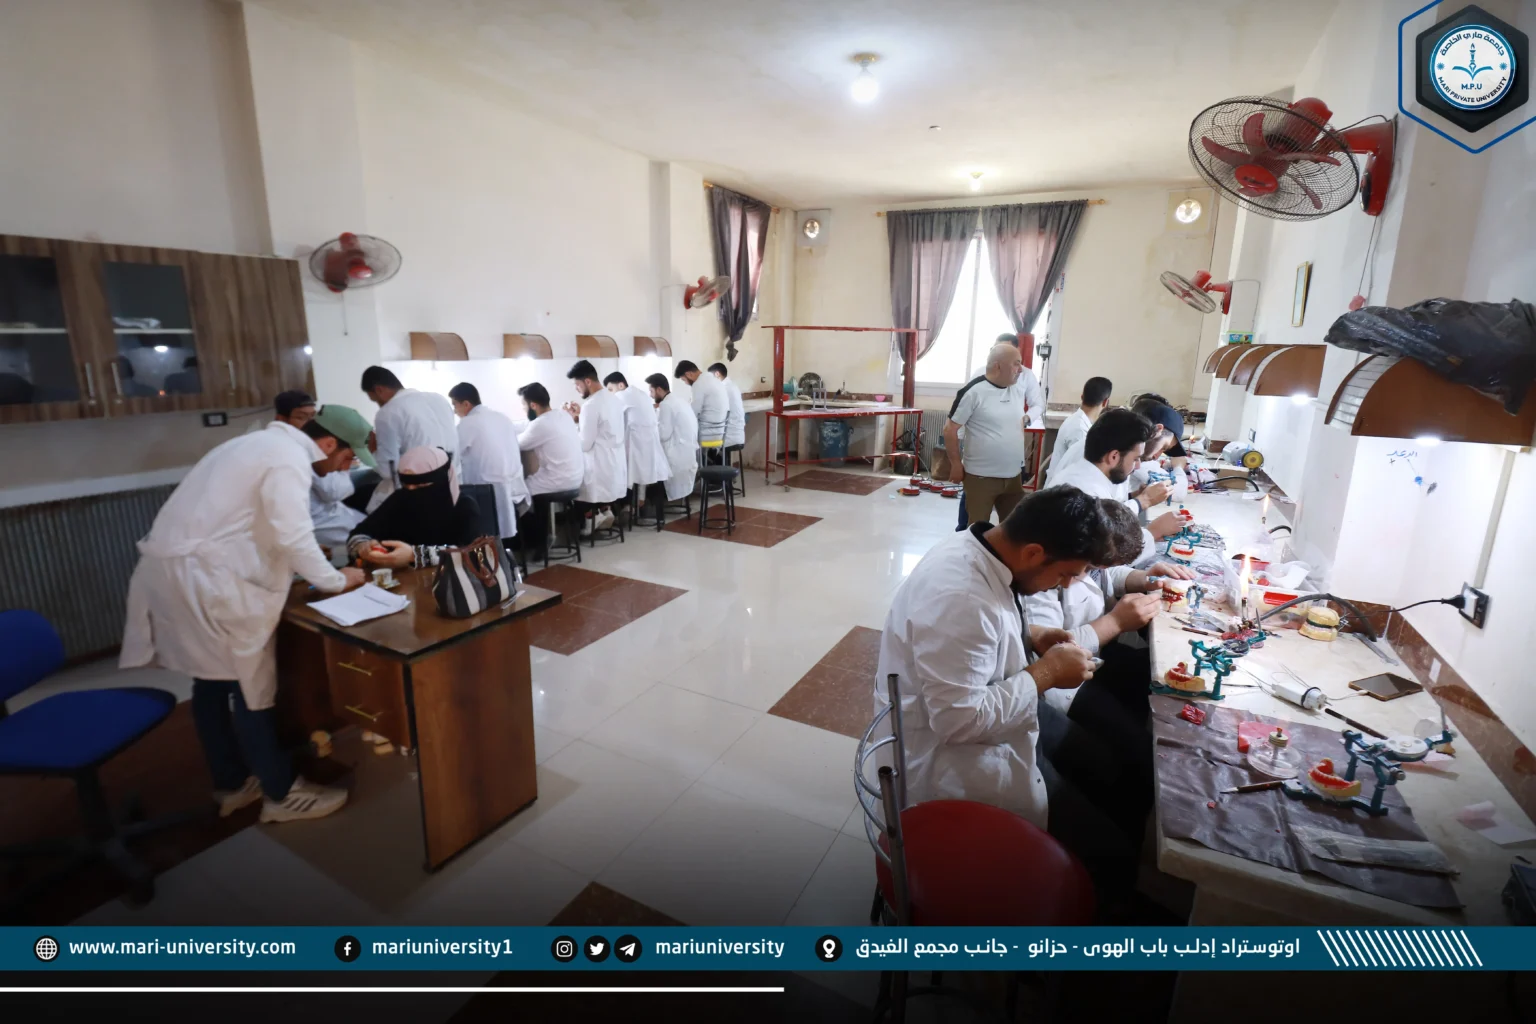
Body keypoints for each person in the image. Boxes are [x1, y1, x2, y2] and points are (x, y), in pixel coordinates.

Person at [875, 486, 1137, 895]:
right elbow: (958, 721)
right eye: (1065, 574)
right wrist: (1047, 673)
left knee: (1108, 769)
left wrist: (1031, 634)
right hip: (952, 758)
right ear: (1033, 552)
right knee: (1112, 857)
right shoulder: (960, 596)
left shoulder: (981, 546)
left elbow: (982, 630)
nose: (1065, 585)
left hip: (999, 706)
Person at [120, 413, 366, 824]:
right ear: (328, 445)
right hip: (211, 582)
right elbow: (293, 535)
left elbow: (246, 523)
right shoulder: (288, 459)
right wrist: (337, 580)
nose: (346, 467)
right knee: (250, 686)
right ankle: (280, 793)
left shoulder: (250, 444)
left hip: (179, 575)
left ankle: (232, 783)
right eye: (346, 458)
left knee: (211, 681)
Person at [1049, 408, 1182, 551]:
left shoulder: (1089, 474)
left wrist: (1134, 496)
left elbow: (1108, 506)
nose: (1138, 466)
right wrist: (1153, 527)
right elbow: (1105, 555)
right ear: (1113, 456)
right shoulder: (1083, 492)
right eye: (1135, 459)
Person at [347, 447, 484, 569]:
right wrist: (363, 546)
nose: (412, 492)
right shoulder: (400, 499)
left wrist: (414, 555)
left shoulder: (464, 506)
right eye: (407, 486)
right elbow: (359, 534)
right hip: (405, 584)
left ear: (442, 481)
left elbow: (472, 552)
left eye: (421, 486)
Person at [944, 343, 1028, 526]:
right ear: (998, 366)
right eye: (1016, 363)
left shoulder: (1016, 390)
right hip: (981, 477)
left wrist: (1020, 463)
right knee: (977, 529)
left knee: (1014, 528)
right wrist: (956, 464)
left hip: (1013, 476)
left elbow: (1017, 425)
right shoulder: (973, 392)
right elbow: (950, 429)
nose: (1021, 369)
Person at [361, 365, 457, 512]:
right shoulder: (439, 399)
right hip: (454, 487)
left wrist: (373, 451)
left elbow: (388, 471)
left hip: (420, 493)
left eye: (375, 400)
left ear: (379, 390)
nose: (378, 405)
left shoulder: (388, 412)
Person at [450, 382, 531, 549]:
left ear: (466, 404)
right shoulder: (502, 417)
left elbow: (453, 455)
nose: (454, 411)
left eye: (455, 405)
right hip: (514, 486)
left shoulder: (467, 423)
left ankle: (477, 554)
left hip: (487, 490)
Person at [514, 381, 584, 550]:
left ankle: (535, 542)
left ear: (533, 405)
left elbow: (517, 443)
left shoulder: (540, 424)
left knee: (518, 491)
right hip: (576, 478)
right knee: (530, 487)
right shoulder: (562, 415)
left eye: (524, 406)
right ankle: (542, 537)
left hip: (558, 481)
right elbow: (527, 426)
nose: (523, 410)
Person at [562, 360, 627, 531]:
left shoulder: (590, 405)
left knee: (574, 482)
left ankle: (592, 517)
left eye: (577, 384)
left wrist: (570, 425)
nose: (577, 389)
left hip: (599, 466)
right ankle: (605, 510)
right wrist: (579, 419)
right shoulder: (613, 399)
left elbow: (584, 444)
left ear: (587, 382)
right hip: (615, 465)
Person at [307, 404, 374, 554]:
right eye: (347, 458)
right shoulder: (288, 467)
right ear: (329, 444)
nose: (342, 468)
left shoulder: (307, 459)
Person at [603, 371, 669, 508]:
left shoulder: (621, 396)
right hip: (651, 451)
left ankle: (617, 507)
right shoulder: (641, 394)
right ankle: (636, 504)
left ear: (621, 385)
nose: (610, 394)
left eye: (610, 389)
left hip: (637, 449)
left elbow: (607, 419)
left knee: (611, 466)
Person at [1043, 376, 1112, 487]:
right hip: (1061, 489)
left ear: (1082, 397)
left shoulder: (1078, 421)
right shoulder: (1079, 430)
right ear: (1105, 402)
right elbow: (1080, 471)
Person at [648, 373, 699, 504]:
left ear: (659, 389)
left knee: (646, 468)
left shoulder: (666, 404)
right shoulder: (679, 400)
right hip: (688, 455)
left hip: (677, 458)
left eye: (651, 391)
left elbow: (663, 435)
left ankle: (645, 505)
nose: (650, 395)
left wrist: (652, 428)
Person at [674, 360, 728, 446]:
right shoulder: (714, 379)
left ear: (689, 374)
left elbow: (693, 413)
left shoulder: (698, 384)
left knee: (676, 435)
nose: (686, 383)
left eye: (684, 380)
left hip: (706, 435)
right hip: (720, 434)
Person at [1131, 394, 1189, 471]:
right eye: (1163, 447)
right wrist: (1178, 468)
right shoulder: (1128, 462)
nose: (1156, 457)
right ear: (1158, 429)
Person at [707, 362, 747, 449]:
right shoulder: (732, 386)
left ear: (717, 374)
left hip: (728, 437)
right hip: (737, 436)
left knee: (700, 444)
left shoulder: (722, 389)